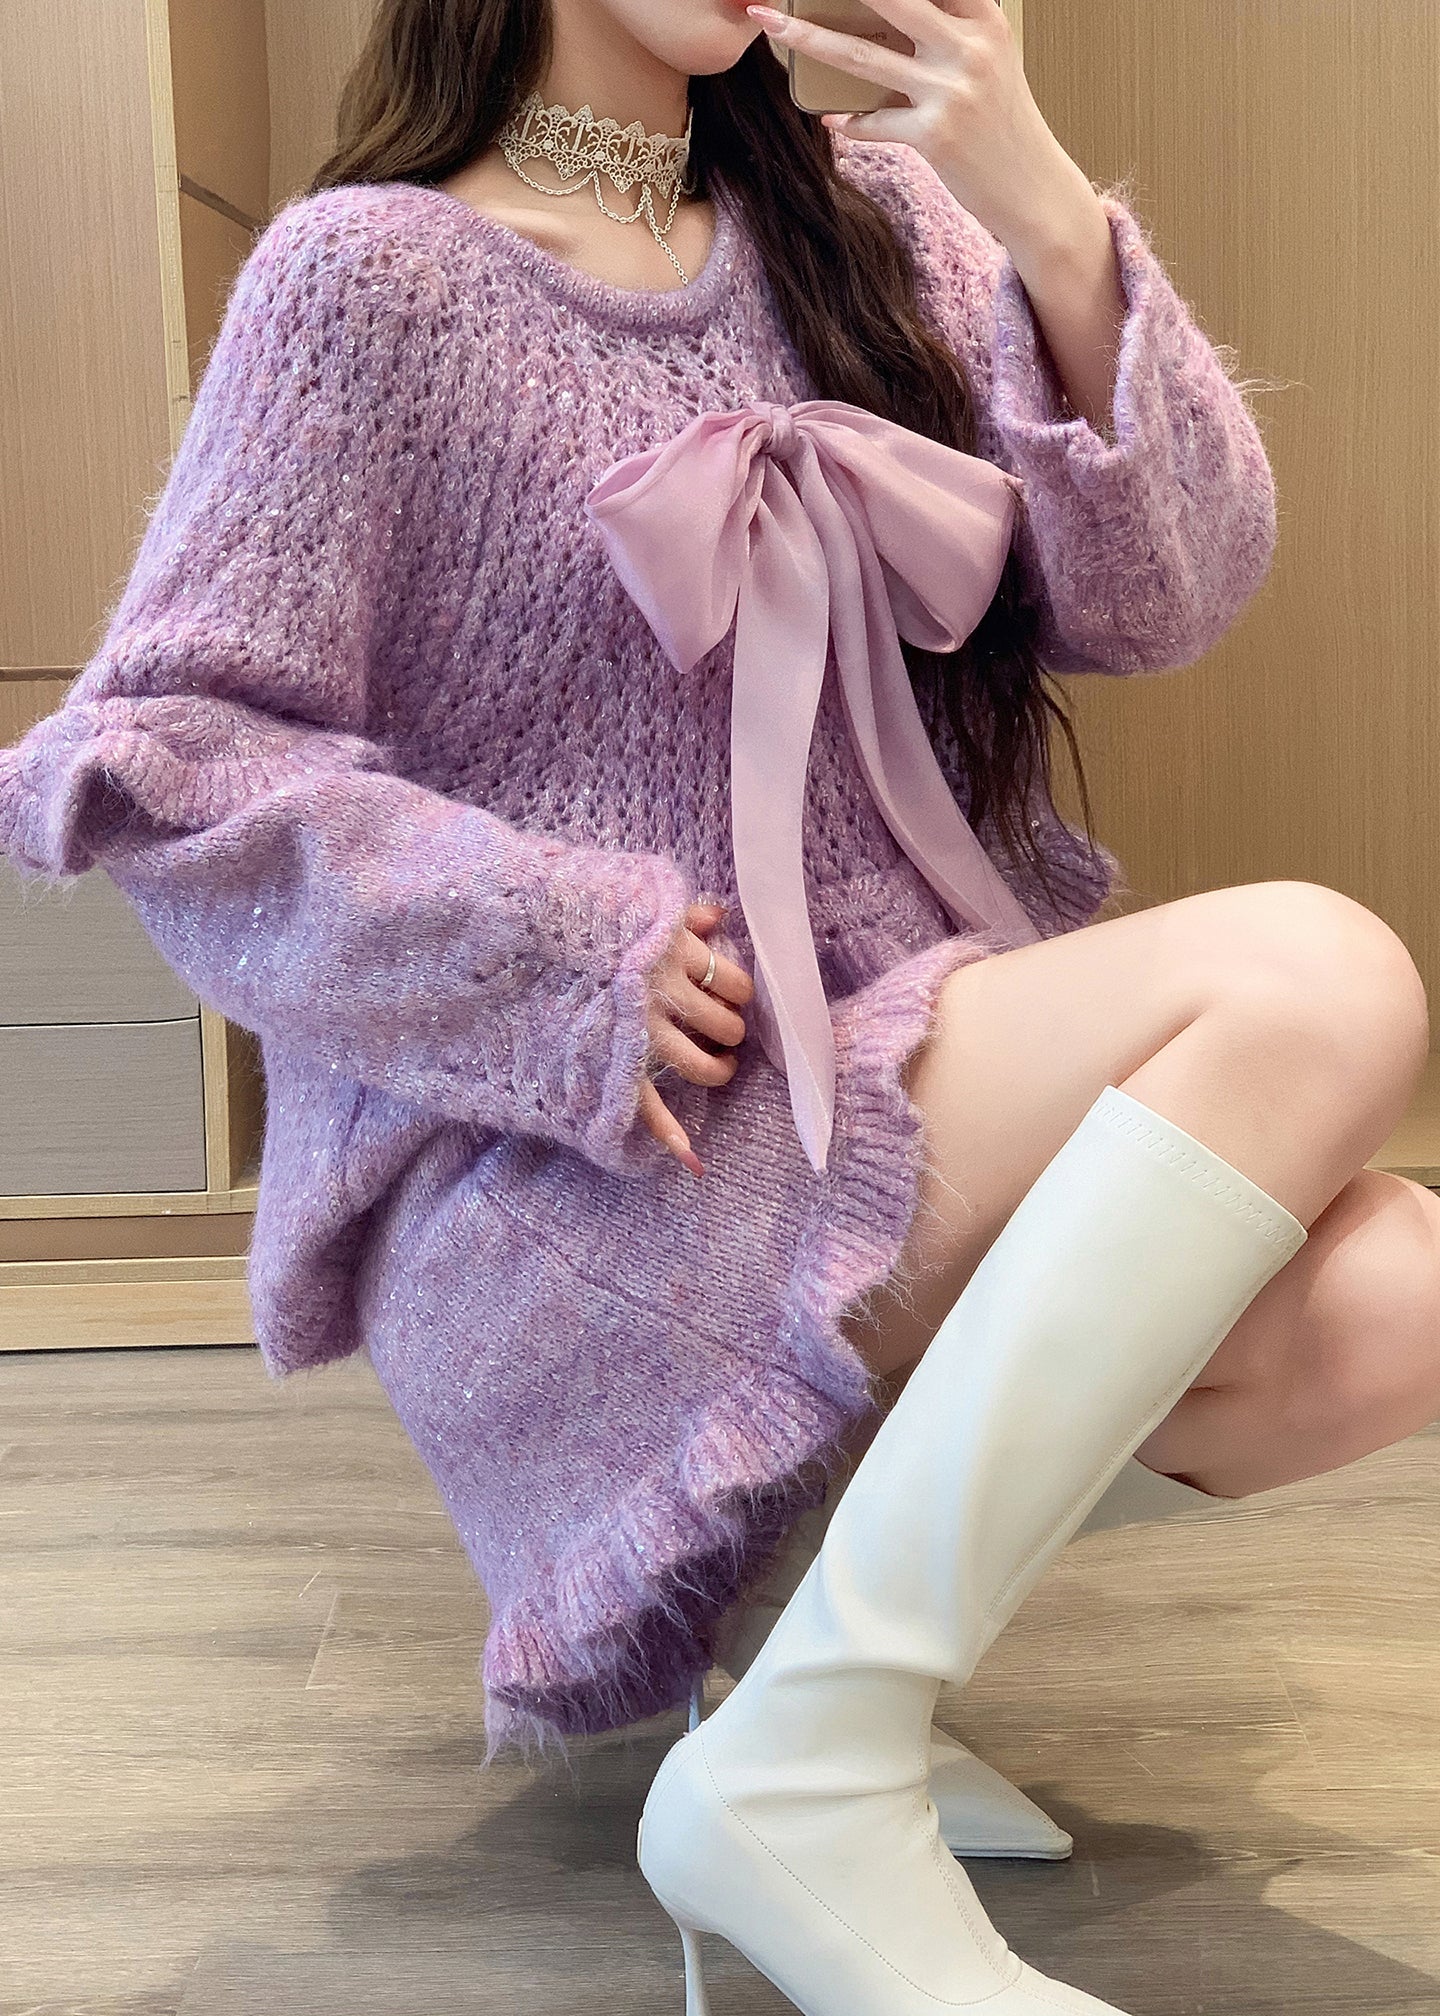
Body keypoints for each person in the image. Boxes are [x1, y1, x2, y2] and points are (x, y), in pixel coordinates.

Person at [3, 2, 1437, 2008]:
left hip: (882, 1063)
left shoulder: (875, 223)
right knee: (1320, 976)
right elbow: (166, 764)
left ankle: (812, 1710)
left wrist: (1035, 200)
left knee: (1400, 1297)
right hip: (590, 1146)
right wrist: (552, 945)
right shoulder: (371, 279)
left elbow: (1166, 592)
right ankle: (815, 1773)